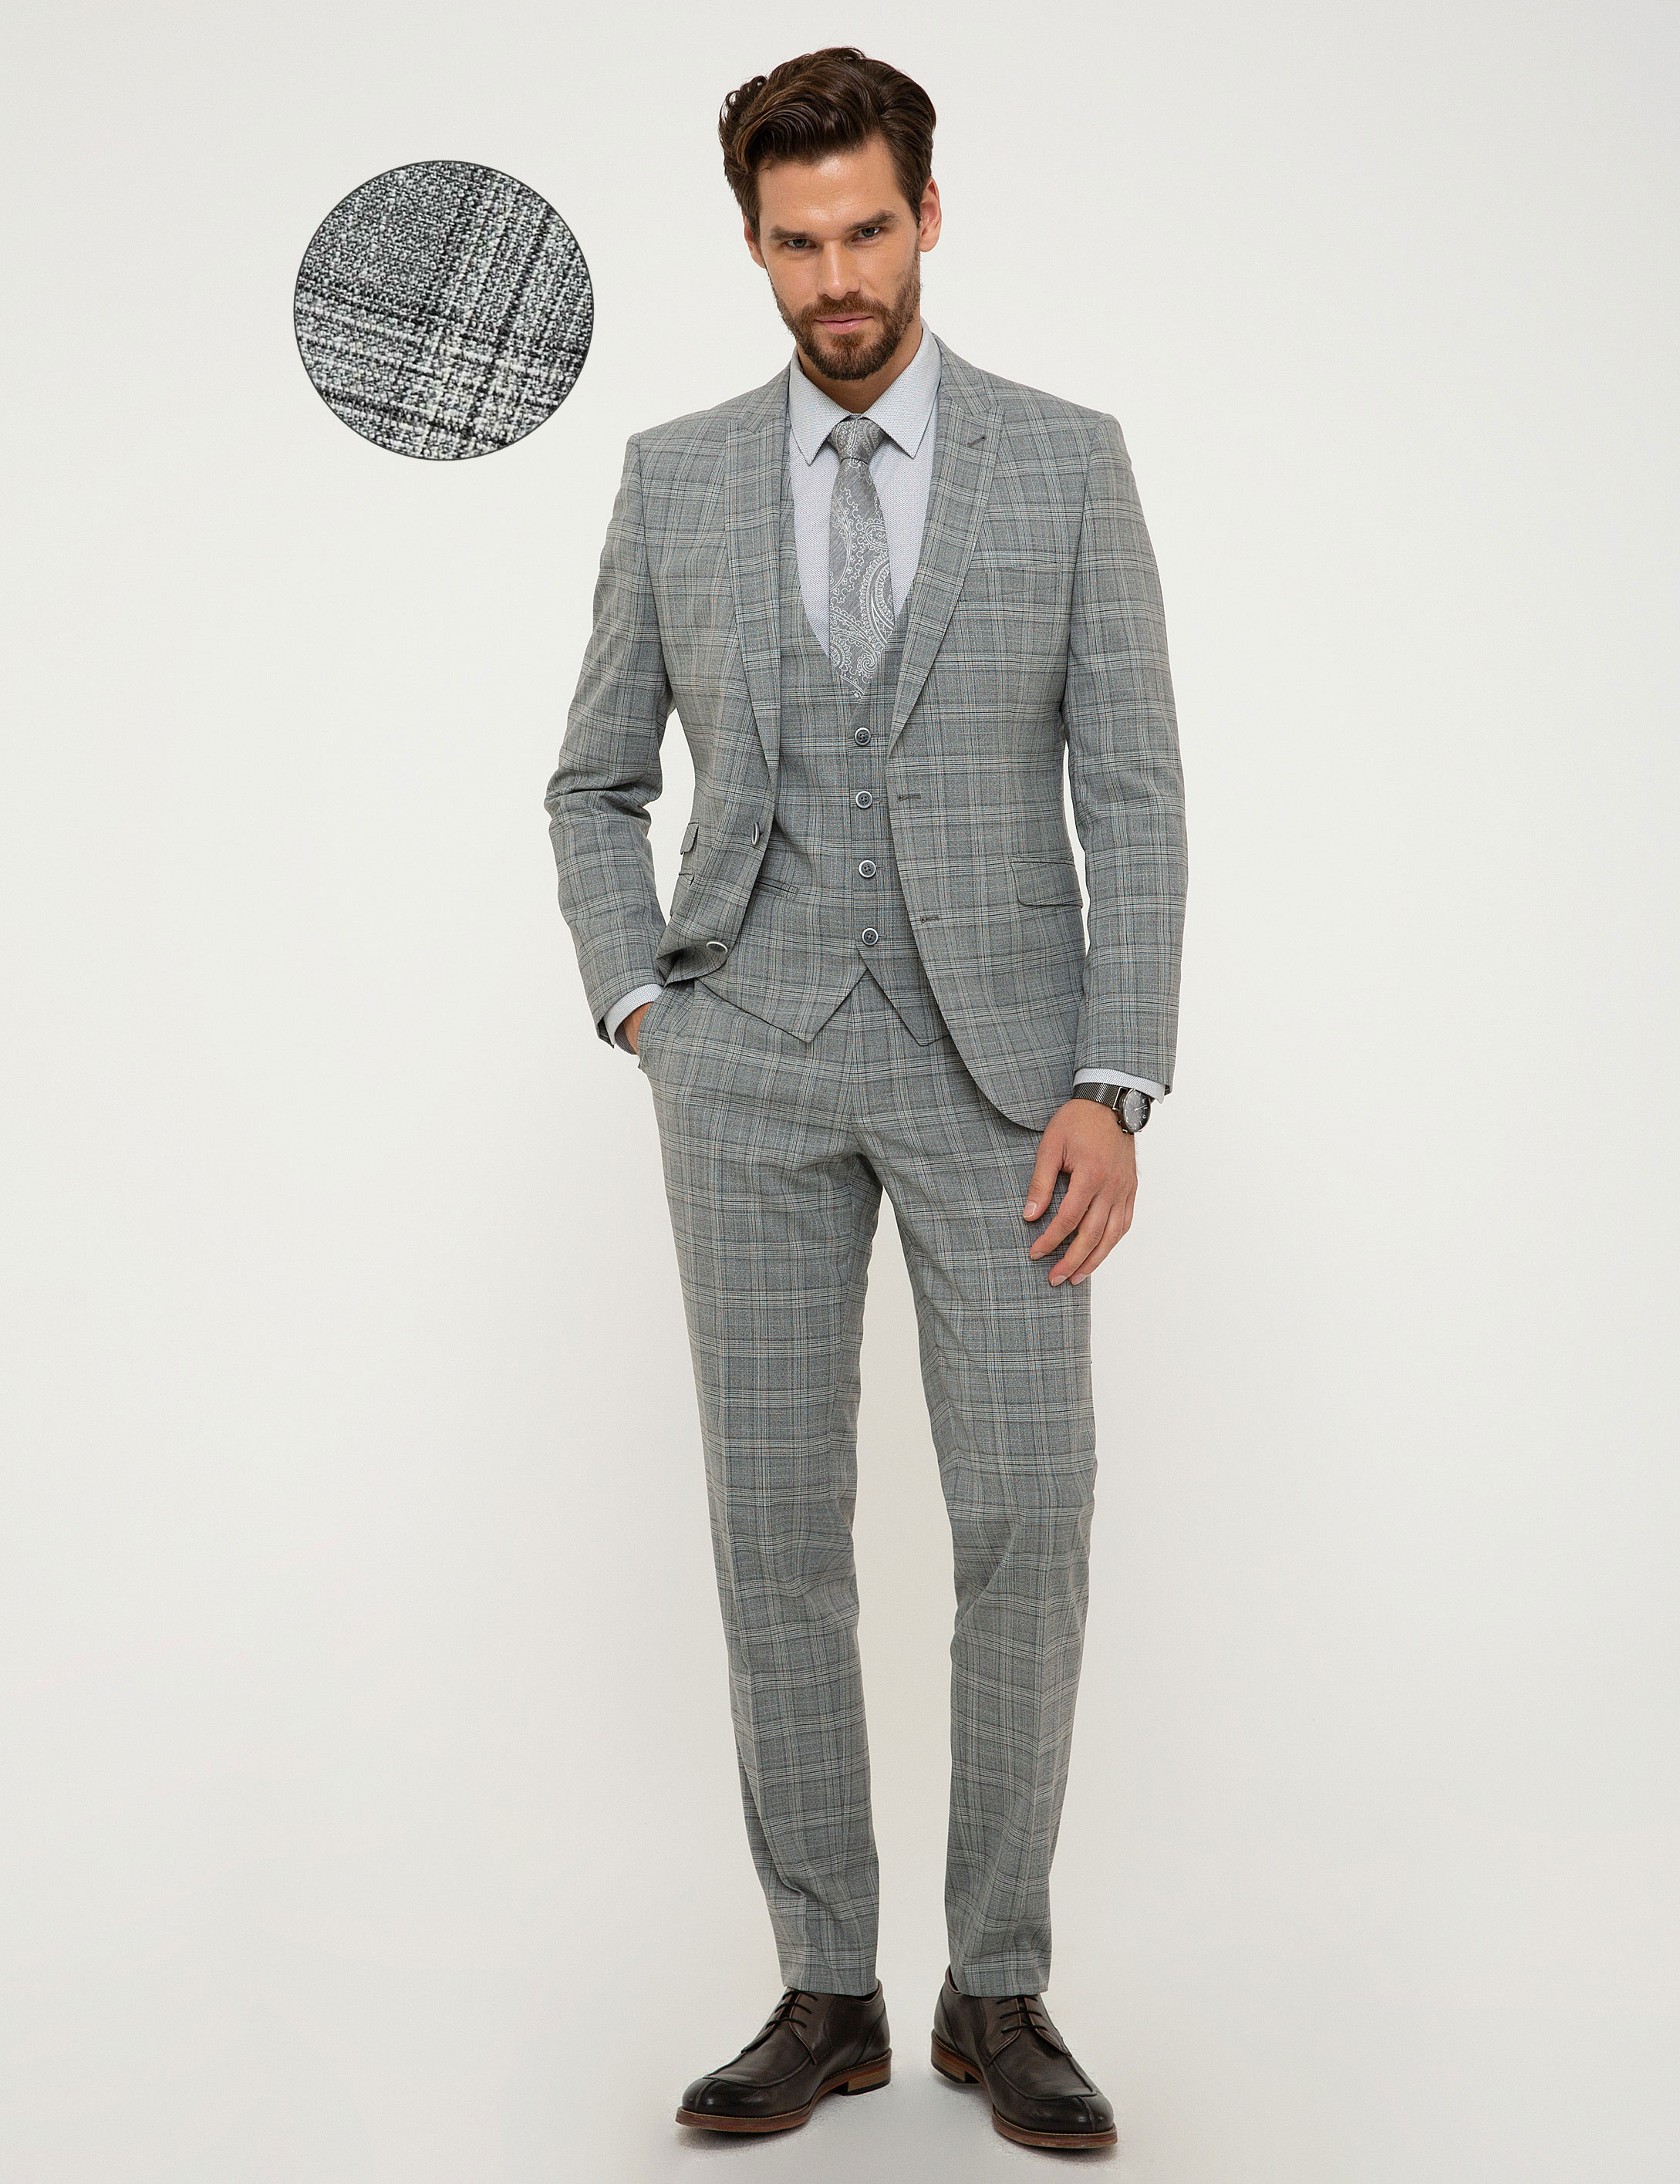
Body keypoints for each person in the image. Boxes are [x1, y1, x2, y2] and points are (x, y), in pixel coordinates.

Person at [543, 46, 1186, 2153]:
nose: (839, 279)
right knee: (774, 1531)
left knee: (1026, 1523)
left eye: (869, 232)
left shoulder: (1064, 463)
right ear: (752, 244)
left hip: (1006, 1076)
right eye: (798, 243)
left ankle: (997, 1989)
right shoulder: (671, 477)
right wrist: (644, 1007)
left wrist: (1113, 1078)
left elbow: (1134, 792)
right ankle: (827, 1988)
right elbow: (593, 780)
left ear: (928, 215)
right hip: (744, 1062)